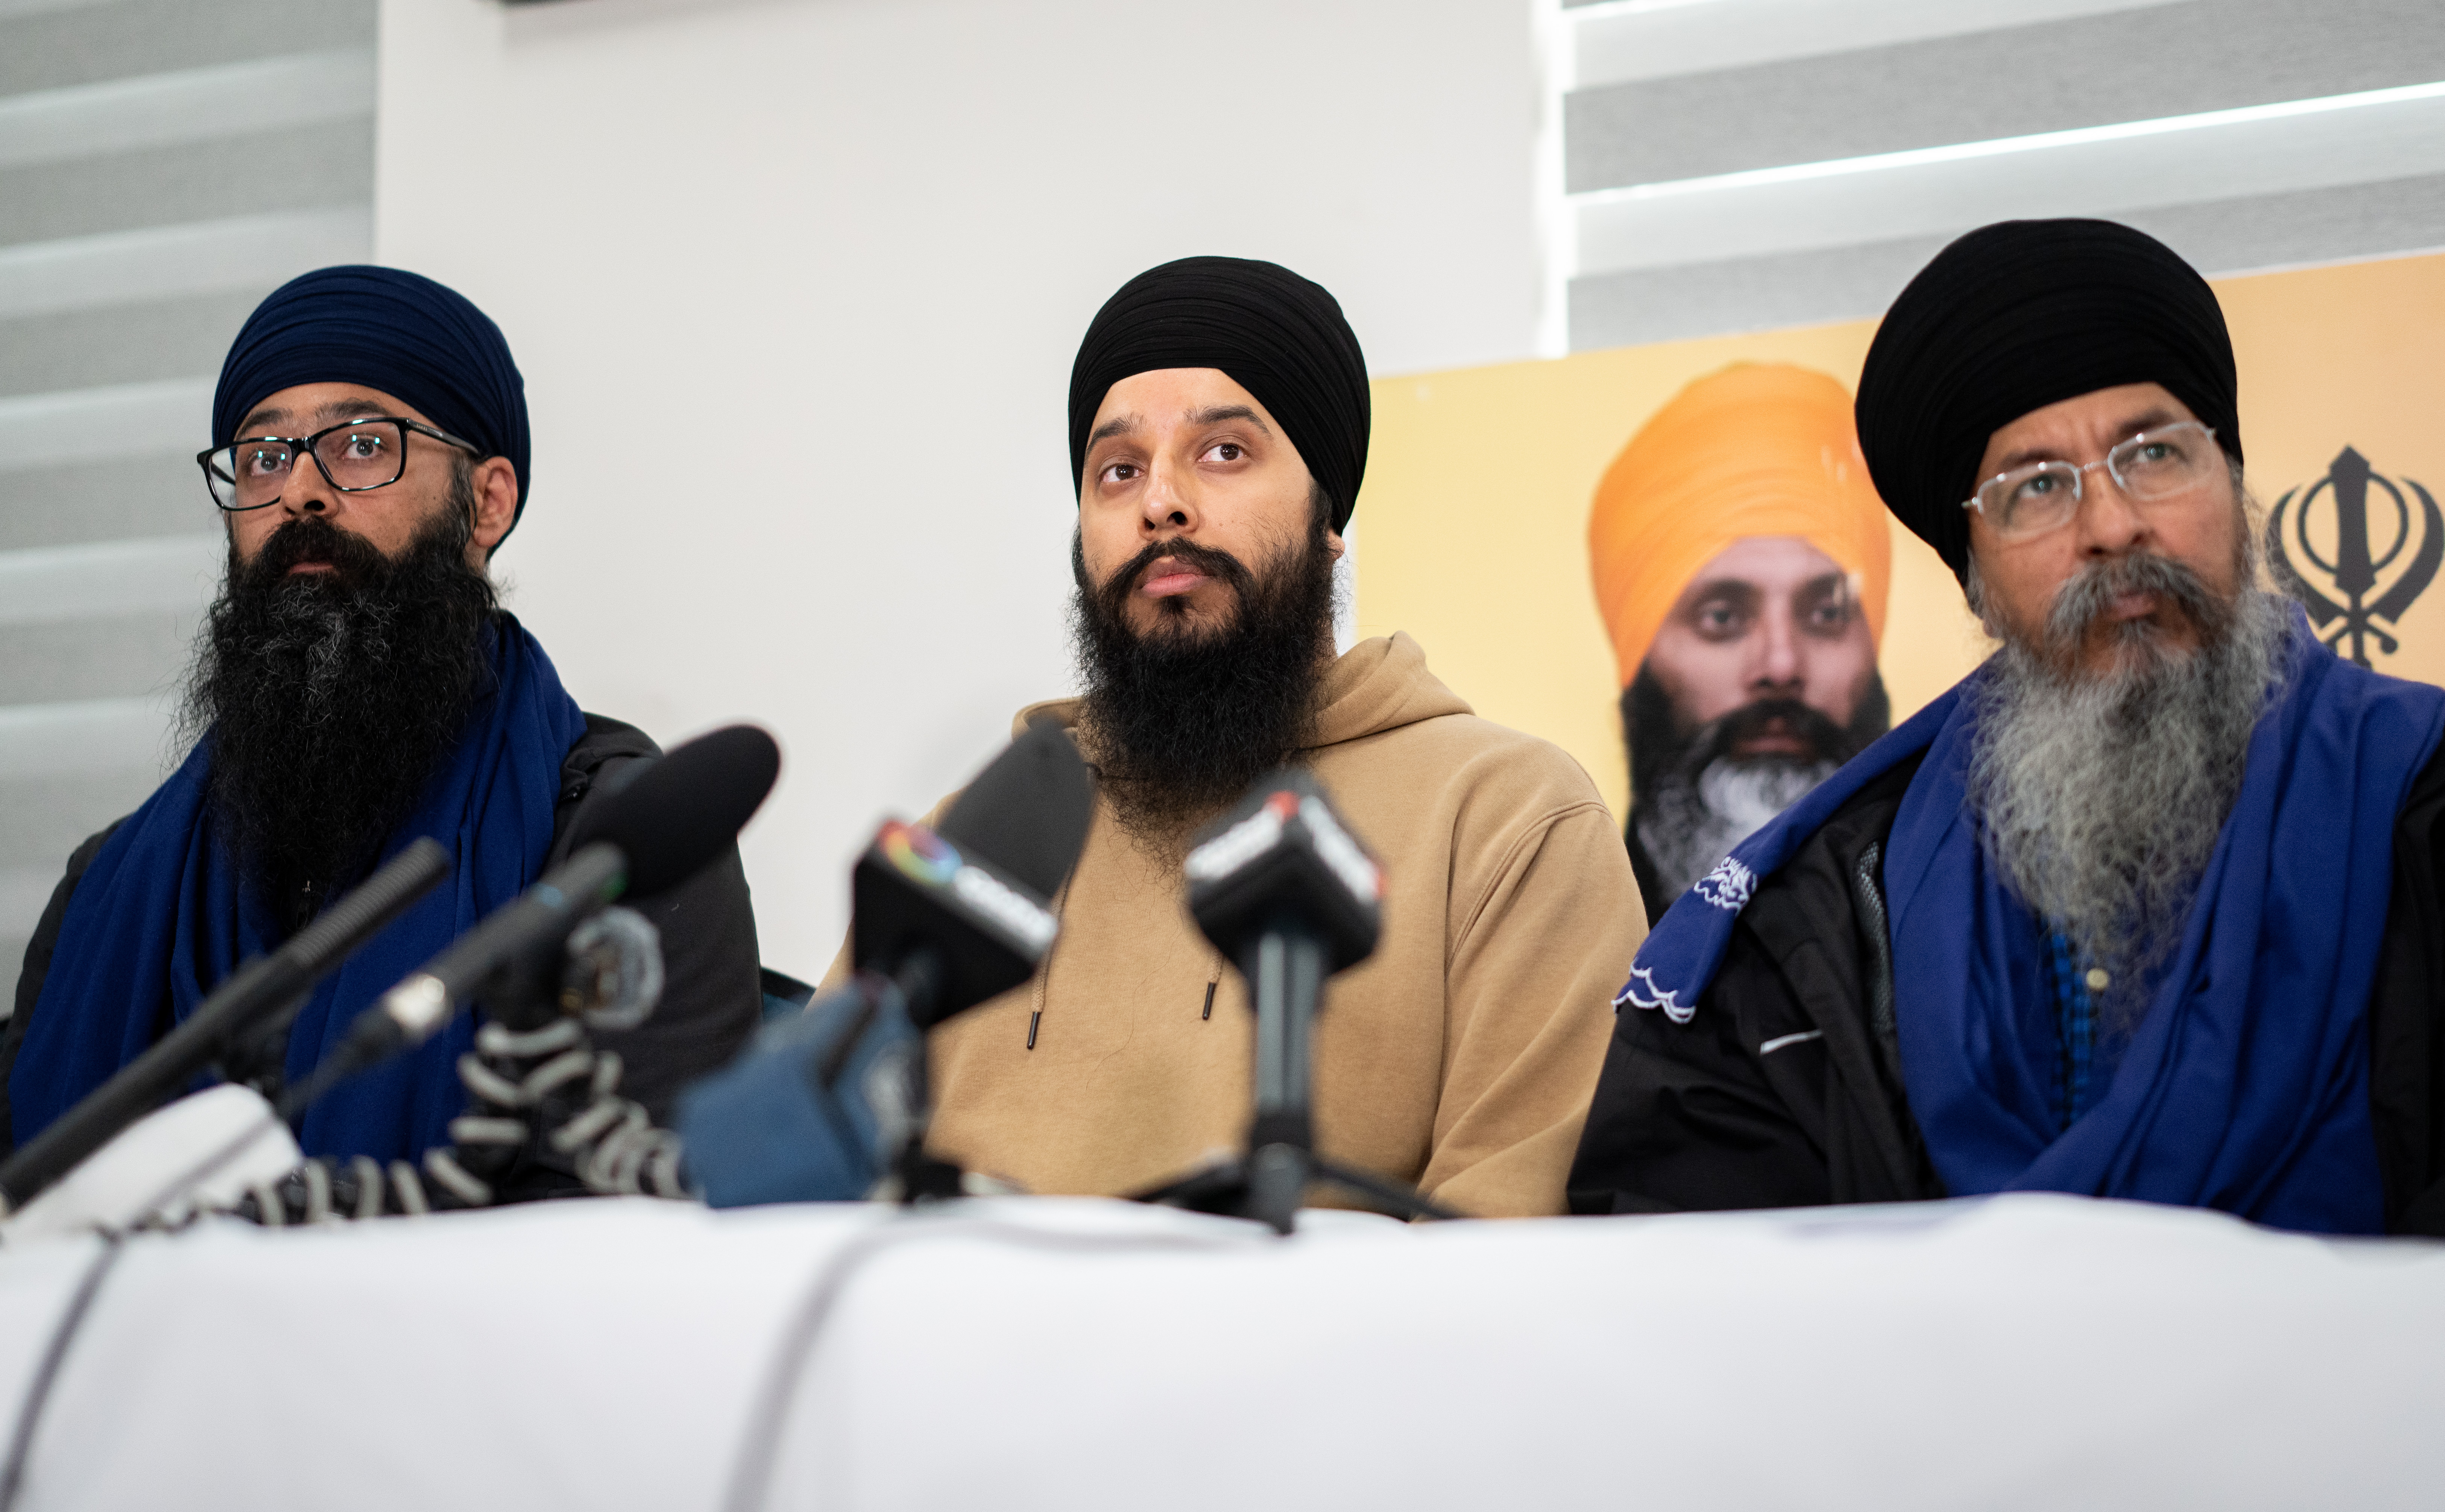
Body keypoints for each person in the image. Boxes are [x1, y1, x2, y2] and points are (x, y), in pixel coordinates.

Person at [1568, 218, 2445, 1234]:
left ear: (2233, 485)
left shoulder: (2418, 798)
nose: (2113, 525)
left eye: (2154, 452)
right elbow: (1689, 1266)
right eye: (2035, 486)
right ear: (1973, 578)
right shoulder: (1820, 912)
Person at [836, 256, 1645, 1217]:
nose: (1161, 503)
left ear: (1329, 515)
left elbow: (1519, 1256)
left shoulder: (1507, 819)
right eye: (1117, 470)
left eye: (1224, 452)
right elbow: (802, 1189)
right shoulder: (982, 841)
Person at [0, 266, 762, 1186]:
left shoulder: (617, 840)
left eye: (363, 444)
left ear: (487, 502)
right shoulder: (112, 884)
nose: (302, 493)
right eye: (264, 456)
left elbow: (628, 1231)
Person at [1589, 363, 1893, 924]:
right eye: (1723, 617)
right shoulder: (1568, 947)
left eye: (1827, 613)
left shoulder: (1972, 930)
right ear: (1640, 659)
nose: (1781, 665)